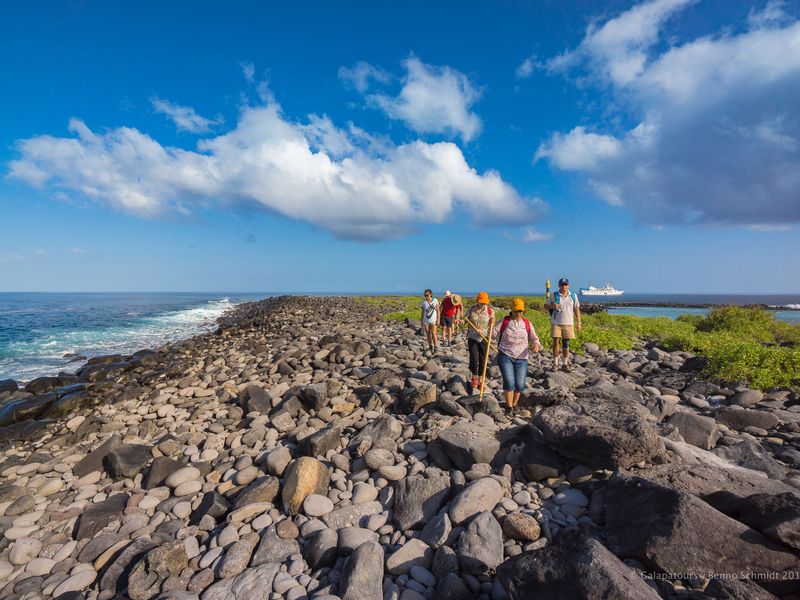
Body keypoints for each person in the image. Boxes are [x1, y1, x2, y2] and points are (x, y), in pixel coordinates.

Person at [492, 298, 541, 412]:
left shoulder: (527, 323)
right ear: (512, 310)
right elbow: (493, 333)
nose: (519, 313)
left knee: (519, 385)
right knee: (509, 382)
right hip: (505, 355)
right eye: (516, 311)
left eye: (521, 311)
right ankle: (509, 407)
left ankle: (514, 404)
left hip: (522, 357)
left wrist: (536, 345)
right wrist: (487, 329)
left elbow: (534, 337)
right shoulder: (504, 321)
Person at [544, 278, 582, 370]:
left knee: (566, 343)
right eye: (562, 285)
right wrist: (552, 306)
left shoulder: (573, 295)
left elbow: (576, 308)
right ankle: (555, 364)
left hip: (569, 322)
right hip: (556, 322)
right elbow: (545, 306)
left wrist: (579, 322)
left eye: (565, 285)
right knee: (556, 342)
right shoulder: (554, 295)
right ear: (559, 285)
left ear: (568, 285)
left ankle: (565, 364)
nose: (564, 286)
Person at [465, 291, 494, 391]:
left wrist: (485, 329)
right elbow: (465, 319)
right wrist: (460, 320)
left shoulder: (490, 311)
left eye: (485, 302)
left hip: (484, 337)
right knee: (474, 358)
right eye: (481, 302)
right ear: (477, 300)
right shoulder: (471, 309)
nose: (483, 304)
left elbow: (491, 325)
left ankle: (481, 380)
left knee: (483, 359)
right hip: (472, 336)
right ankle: (474, 377)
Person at [420, 289, 440, 355]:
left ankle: (436, 347)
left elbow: (438, 311)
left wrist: (438, 319)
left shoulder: (435, 300)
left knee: (434, 333)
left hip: (433, 320)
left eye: (427, 295)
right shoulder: (424, 303)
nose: (426, 296)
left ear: (431, 294)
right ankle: (430, 346)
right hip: (426, 321)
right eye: (425, 295)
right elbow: (423, 312)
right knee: (428, 334)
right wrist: (421, 320)